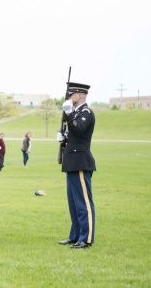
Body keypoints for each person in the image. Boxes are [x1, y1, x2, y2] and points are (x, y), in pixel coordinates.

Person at [57, 82, 96, 249]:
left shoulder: (86, 112)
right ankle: (75, 236)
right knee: (73, 203)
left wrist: (69, 113)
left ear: (80, 95)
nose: (69, 97)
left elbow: (79, 129)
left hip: (81, 161)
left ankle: (85, 238)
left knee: (83, 203)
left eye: (71, 94)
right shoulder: (75, 112)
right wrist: (64, 138)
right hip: (71, 161)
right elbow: (73, 133)